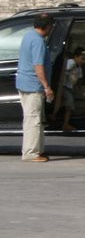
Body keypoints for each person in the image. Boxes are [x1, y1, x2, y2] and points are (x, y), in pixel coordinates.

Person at [16, 13, 55, 163]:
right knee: (33, 120)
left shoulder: (28, 35)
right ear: (47, 27)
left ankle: (37, 149)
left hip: (25, 82)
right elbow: (38, 66)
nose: (51, 29)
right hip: (33, 85)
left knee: (34, 118)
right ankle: (31, 152)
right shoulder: (38, 41)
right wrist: (47, 86)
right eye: (51, 26)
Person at [52, 48, 85, 133]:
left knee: (67, 104)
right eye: (82, 58)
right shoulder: (70, 63)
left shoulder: (79, 68)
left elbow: (79, 79)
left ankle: (57, 117)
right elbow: (63, 71)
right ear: (76, 57)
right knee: (69, 104)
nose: (83, 61)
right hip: (63, 86)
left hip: (69, 87)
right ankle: (63, 122)